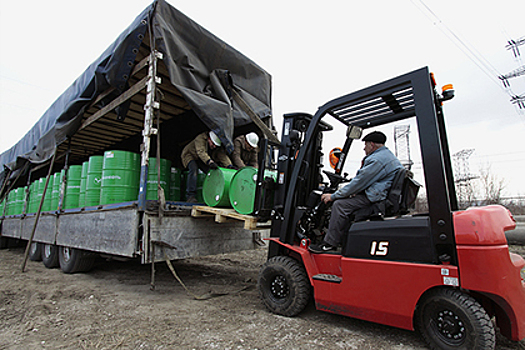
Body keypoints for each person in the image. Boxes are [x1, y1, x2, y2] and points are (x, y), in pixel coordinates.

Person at [309, 131, 404, 253]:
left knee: (340, 205)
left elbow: (358, 183)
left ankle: (329, 244)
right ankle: (342, 239)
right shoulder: (386, 156)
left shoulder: (377, 160)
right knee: (344, 200)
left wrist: (333, 196)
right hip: (377, 195)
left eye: (365, 145)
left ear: (372, 144)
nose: (364, 148)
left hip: (376, 199)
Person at [181, 131, 233, 203]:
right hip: (190, 155)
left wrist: (229, 165)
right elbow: (201, 152)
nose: (214, 147)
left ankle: (211, 196)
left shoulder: (215, 146)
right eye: (213, 144)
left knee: (211, 173)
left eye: (216, 146)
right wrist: (210, 162)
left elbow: (222, 155)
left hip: (201, 158)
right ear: (209, 139)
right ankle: (190, 196)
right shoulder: (200, 138)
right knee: (193, 169)